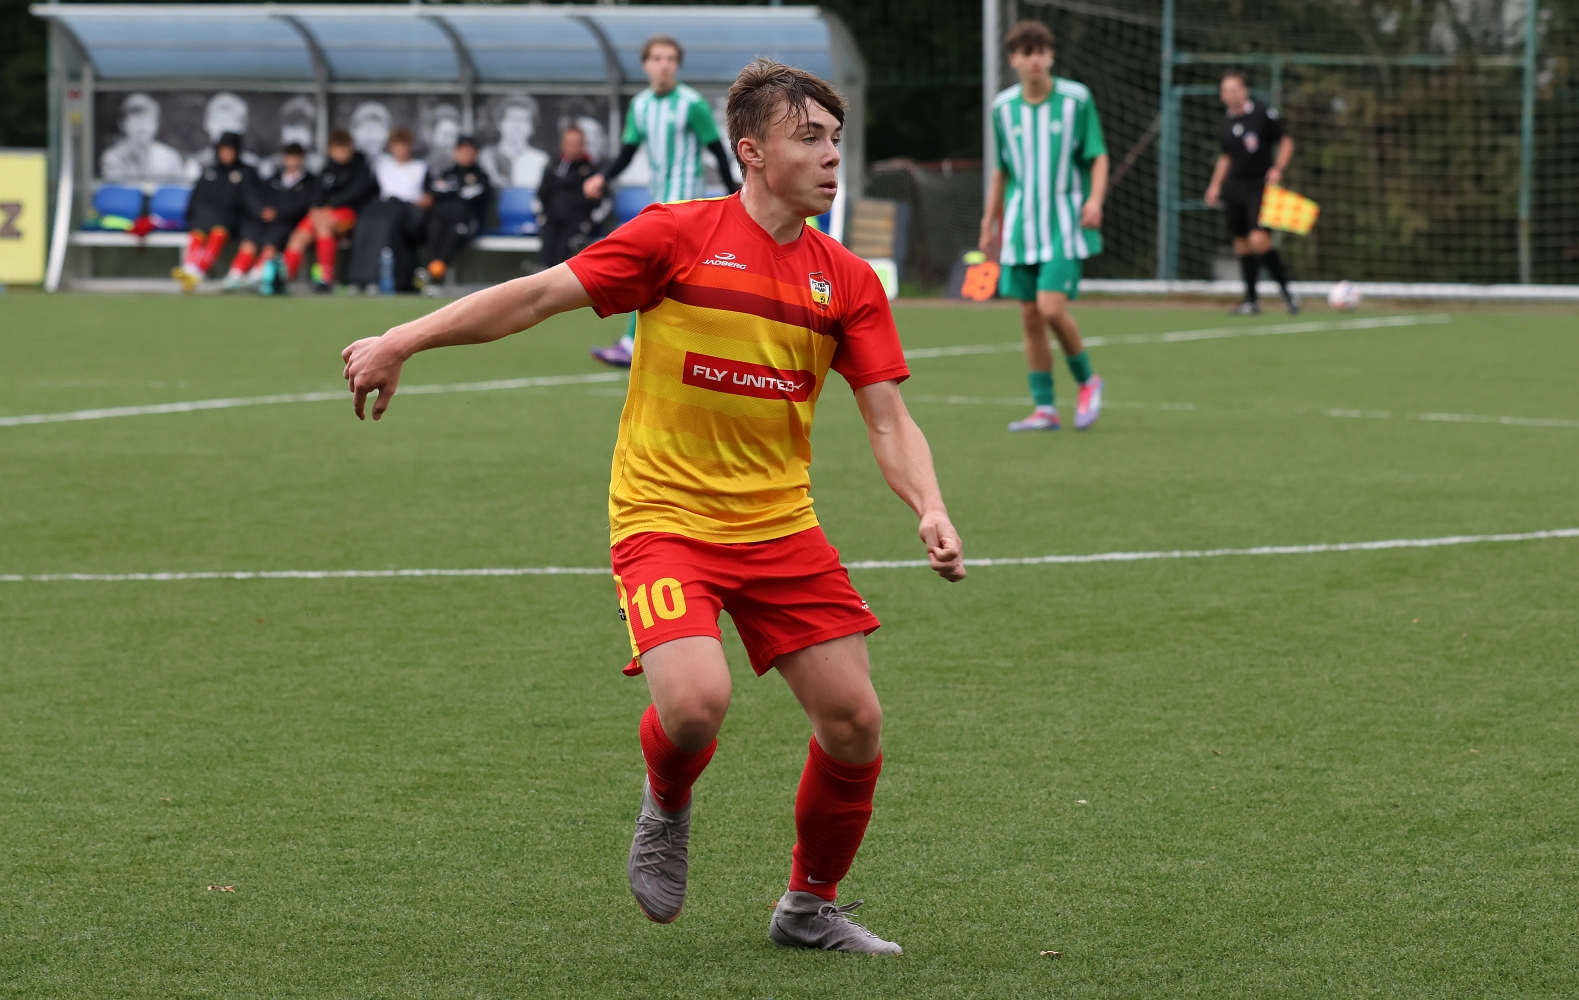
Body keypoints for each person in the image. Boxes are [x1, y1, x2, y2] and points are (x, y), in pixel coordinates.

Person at [342, 57, 966, 954]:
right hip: (663, 517)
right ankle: (666, 803)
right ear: (751, 152)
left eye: (836, 138)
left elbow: (887, 418)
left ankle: (808, 907)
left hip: (780, 525)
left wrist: (928, 505)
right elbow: (536, 297)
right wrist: (403, 338)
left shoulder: (849, 280)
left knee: (855, 722)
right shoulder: (675, 236)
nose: (832, 156)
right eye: (809, 138)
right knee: (696, 702)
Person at [979, 20, 1107, 432]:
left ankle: (1087, 381)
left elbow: (1098, 155)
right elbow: (1002, 170)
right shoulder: (1003, 108)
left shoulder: (1076, 100)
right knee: (1030, 318)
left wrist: (1095, 200)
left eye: (1040, 51)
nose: (1034, 59)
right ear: (1013, 60)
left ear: (1050, 56)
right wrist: (990, 222)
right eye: (1025, 52)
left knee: (1051, 309)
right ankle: (1045, 408)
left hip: (1064, 227)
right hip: (1020, 228)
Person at [586, 35, 741, 369]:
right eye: (657, 58)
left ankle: (632, 344)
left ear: (677, 65)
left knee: (649, 265)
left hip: (685, 201)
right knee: (680, 275)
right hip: (661, 199)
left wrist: (733, 196)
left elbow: (716, 150)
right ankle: (700, 343)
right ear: (645, 64)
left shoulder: (691, 103)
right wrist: (603, 177)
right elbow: (628, 151)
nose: (664, 64)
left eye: (670, 58)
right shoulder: (640, 105)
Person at [1205, 70, 1299, 315]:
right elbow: (1226, 157)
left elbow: (1286, 140)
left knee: (1259, 239)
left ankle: (1288, 294)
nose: (1231, 94)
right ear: (1222, 96)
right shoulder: (1225, 121)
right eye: (1226, 90)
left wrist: (1278, 168)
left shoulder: (1262, 114)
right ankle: (1251, 301)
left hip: (1259, 187)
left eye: (1235, 88)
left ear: (1245, 91)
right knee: (1242, 245)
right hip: (1234, 188)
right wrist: (1215, 185)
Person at [287, 128, 376, 293]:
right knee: (299, 235)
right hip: (324, 214)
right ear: (331, 150)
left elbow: (355, 194)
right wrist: (315, 208)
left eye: (345, 148)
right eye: (338, 148)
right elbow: (317, 193)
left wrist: (330, 206)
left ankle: (325, 279)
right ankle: (284, 278)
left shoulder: (360, 167)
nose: (342, 152)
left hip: (350, 216)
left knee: (324, 225)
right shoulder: (327, 168)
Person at [345, 128, 428, 292]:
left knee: (385, 226)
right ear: (391, 147)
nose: (401, 149)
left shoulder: (421, 168)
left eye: (404, 145)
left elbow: (429, 196)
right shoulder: (383, 168)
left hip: (409, 210)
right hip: (386, 207)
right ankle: (357, 278)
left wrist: (425, 201)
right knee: (365, 222)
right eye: (397, 145)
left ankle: (374, 278)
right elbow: (373, 193)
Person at [223, 142, 314, 291]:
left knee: (272, 242)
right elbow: (257, 197)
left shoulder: (309, 182)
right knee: (250, 238)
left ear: (302, 159)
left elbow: (304, 204)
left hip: (287, 222)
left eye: (296, 157)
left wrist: (278, 213)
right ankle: (235, 274)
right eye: (289, 156)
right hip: (264, 220)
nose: (292, 161)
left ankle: (257, 276)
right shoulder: (273, 179)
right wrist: (262, 210)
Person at [172, 132, 254, 291]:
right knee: (197, 232)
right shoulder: (209, 172)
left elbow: (248, 202)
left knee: (218, 233)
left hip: (230, 223)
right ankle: (190, 268)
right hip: (205, 221)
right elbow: (196, 200)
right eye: (224, 149)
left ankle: (198, 273)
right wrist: (193, 218)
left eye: (231, 150)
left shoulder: (246, 173)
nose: (227, 153)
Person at [414, 136, 492, 293]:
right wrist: (455, 192)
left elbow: (470, 198)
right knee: (434, 223)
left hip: (467, 221)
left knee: (456, 224)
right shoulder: (446, 173)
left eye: (470, 152)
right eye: (463, 151)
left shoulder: (481, 176)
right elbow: (435, 193)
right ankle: (435, 269)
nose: (466, 155)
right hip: (442, 218)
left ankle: (435, 270)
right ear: (456, 153)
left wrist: (450, 192)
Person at [535, 125, 603, 269]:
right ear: (562, 144)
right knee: (548, 244)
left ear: (583, 144)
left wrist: (590, 221)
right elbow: (541, 194)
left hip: (577, 221)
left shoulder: (591, 170)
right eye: (569, 142)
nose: (573, 147)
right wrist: (543, 214)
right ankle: (545, 274)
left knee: (564, 251)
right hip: (552, 218)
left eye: (577, 143)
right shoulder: (553, 167)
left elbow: (602, 201)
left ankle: (562, 280)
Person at [99, 93, 185, 181]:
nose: (142, 127)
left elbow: (178, 189)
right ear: (122, 124)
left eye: (147, 121)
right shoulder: (112, 158)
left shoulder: (170, 158)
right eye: (136, 121)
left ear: (156, 124)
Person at [478, 94, 550, 190]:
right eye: (512, 119)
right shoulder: (487, 156)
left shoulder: (541, 160)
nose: (517, 126)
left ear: (532, 127)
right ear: (499, 123)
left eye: (523, 120)